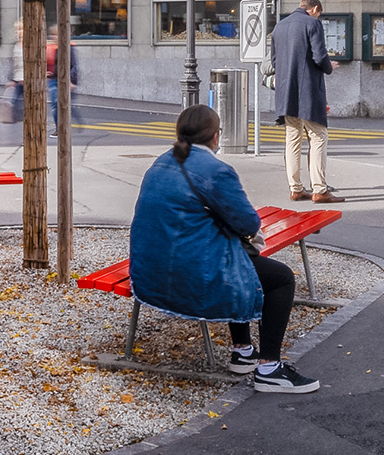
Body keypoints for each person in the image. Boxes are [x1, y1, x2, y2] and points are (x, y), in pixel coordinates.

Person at [128, 105, 318, 394]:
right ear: (216, 137)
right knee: (281, 278)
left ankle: (243, 351)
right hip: (186, 277)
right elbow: (248, 222)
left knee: (235, 254)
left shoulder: (161, 162)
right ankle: (269, 369)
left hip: (147, 274)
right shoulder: (215, 170)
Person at [271, 0, 338, 204]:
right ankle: (320, 190)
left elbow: (274, 61)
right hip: (307, 90)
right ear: (315, 9)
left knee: (292, 138)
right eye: (319, 14)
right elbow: (319, 56)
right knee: (318, 136)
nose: (318, 17)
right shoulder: (312, 24)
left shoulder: (279, 27)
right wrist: (329, 67)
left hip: (286, 92)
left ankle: (296, 188)